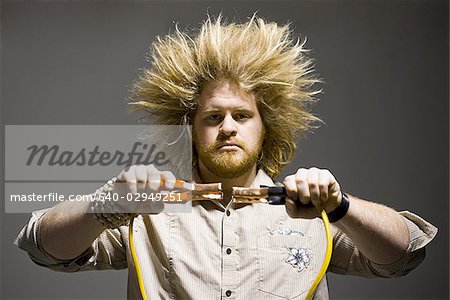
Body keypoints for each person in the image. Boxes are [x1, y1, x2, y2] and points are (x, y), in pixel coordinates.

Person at [15, 15, 437, 299]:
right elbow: (43, 247)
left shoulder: (315, 213)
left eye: (242, 116)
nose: (229, 127)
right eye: (213, 117)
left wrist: (340, 206)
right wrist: (105, 206)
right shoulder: (146, 212)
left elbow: (403, 256)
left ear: (265, 125)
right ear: (192, 129)